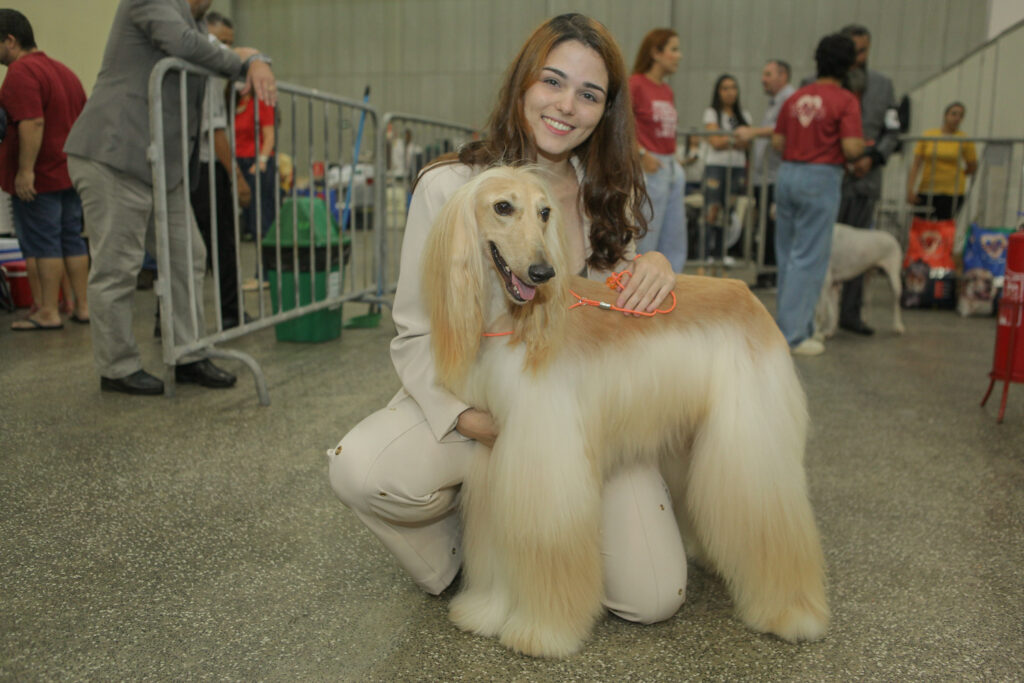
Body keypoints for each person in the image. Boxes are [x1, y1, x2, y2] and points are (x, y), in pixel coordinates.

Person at [328, 13, 686, 625]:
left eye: (589, 94)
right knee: (364, 469)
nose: (566, 106)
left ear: (606, 111)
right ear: (523, 83)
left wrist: (654, 263)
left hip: (586, 422)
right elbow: (415, 333)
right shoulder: (448, 187)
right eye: (553, 82)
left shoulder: (607, 192)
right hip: (481, 414)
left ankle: (558, 527)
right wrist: (474, 422)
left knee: (650, 600)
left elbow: (617, 308)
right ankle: (461, 555)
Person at [64, 0, 276, 396]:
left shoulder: (192, 19)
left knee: (188, 257)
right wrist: (244, 63)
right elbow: (183, 44)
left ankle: (189, 353)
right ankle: (117, 366)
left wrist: (254, 58)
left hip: (163, 165)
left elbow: (214, 47)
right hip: (116, 153)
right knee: (117, 265)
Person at [771, 33, 864, 356]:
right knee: (809, 258)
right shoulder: (846, 100)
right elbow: (852, 147)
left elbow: (777, 142)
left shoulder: (795, 97)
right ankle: (795, 334)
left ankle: (787, 327)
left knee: (786, 255)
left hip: (787, 174)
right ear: (849, 64)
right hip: (820, 176)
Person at [0, 9, 89, 331]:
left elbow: (32, 122)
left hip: (41, 179)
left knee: (43, 244)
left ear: (10, 40)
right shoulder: (63, 71)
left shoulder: (21, 73)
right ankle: (81, 306)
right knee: (73, 240)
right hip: (69, 173)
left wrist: (25, 171)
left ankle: (48, 311)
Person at [835, 24, 899, 336]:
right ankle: (822, 317)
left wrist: (871, 159)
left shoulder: (884, 87)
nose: (859, 57)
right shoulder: (828, 85)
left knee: (861, 254)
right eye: (854, 50)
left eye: (864, 50)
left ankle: (851, 314)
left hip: (867, 181)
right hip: (834, 179)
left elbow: (892, 131)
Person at [192, 11, 252, 329]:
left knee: (190, 247)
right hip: (206, 167)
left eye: (230, 44)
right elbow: (215, 131)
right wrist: (237, 177)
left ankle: (168, 320)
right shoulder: (209, 70)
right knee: (222, 244)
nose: (226, 50)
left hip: (193, 166)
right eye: (220, 42)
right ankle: (231, 313)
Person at [629, 28, 687, 271]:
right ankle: (639, 296)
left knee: (674, 239)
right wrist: (642, 154)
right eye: (673, 49)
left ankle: (672, 293)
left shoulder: (667, 90)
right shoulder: (636, 85)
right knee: (647, 240)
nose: (679, 55)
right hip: (649, 167)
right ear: (655, 52)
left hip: (670, 166)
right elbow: (621, 127)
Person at [736, 59, 796, 287]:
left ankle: (772, 273)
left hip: (776, 177)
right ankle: (767, 272)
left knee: (774, 227)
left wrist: (752, 132)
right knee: (767, 227)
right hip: (765, 177)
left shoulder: (789, 99)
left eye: (768, 74)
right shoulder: (775, 102)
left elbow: (783, 130)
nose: (763, 79)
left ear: (783, 76)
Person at [702, 74, 752, 261]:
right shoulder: (711, 112)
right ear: (718, 91)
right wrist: (736, 139)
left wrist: (727, 139)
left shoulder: (744, 115)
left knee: (728, 211)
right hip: (716, 166)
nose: (730, 92)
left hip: (737, 167)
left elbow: (747, 143)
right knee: (712, 210)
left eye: (733, 87)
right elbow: (715, 141)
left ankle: (720, 254)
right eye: (725, 88)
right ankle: (705, 253)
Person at [905, 101, 977, 220]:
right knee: (921, 225)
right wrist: (910, 189)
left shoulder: (964, 139)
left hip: (953, 192)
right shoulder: (928, 135)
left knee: (944, 228)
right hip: (927, 188)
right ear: (945, 115)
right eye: (954, 114)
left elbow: (972, 165)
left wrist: (959, 175)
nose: (957, 118)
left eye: (961, 115)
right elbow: (916, 165)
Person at [235, 63, 276, 244]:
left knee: (262, 220)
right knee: (247, 220)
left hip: (257, 163)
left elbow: (269, 135)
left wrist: (261, 161)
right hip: (238, 163)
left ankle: (266, 270)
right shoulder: (234, 103)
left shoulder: (260, 101)